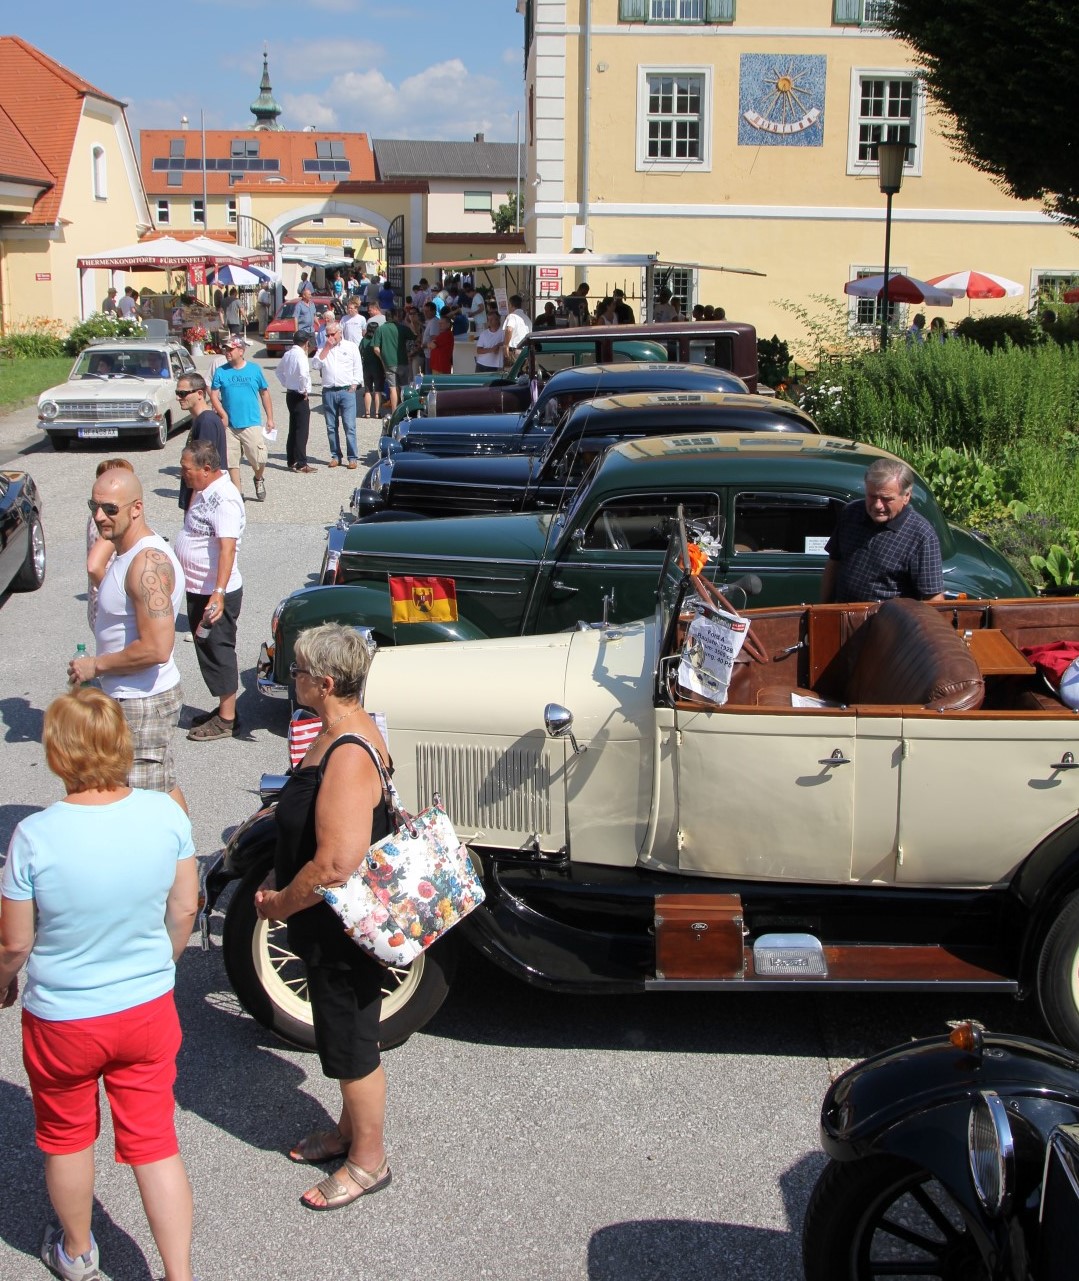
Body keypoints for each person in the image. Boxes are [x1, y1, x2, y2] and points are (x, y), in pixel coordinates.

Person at [0, 687, 198, 1281]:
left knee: (65, 1136)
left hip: (64, 1018)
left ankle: (79, 1251)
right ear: (120, 742)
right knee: (155, 1139)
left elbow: (14, 943)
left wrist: (5, 983)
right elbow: (185, 908)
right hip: (145, 1008)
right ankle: (179, 1272)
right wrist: (160, 963)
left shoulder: (33, 838)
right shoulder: (166, 813)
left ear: (57, 752)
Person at [254, 623, 393, 1213]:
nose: (294, 679)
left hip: (340, 931)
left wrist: (280, 903)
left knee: (352, 1043)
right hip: (325, 926)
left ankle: (369, 1161)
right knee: (341, 1033)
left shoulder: (348, 753)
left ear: (327, 682)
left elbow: (336, 864)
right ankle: (346, 1135)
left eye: (300, 671)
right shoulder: (337, 729)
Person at [69, 467, 188, 812]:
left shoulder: (146, 564)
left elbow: (157, 648)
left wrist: (96, 665)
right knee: (159, 787)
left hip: (142, 701)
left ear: (136, 508)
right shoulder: (125, 555)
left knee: (146, 801)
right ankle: (184, 859)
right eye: (94, 506)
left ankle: (173, 862)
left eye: (110, 509)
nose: (98, 516)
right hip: (130, 696)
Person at [175, 440, 246, 741]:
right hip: (199, 588)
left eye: (186, 468)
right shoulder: (204, 490)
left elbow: (227, 548)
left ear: (207, 469)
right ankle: (223, 709)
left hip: (215, 593)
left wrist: (217, 592)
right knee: (206, 650)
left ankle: (227, 719)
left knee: (218, 650)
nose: (183, 474)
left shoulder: (225, 499)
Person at [821, 458, 945, 605]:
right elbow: (834, 563)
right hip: (842, 617)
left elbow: (933, 599)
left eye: (886, 499)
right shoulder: (851, 513)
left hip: (888, 625)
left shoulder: (921, 536)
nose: (878, 505)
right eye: (872, 496)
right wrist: (824, 610)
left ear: (906, 497)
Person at [209, 337, 274, 502]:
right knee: (231, 460)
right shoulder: (221, 371)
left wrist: (270, 418)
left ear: (241, 351)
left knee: (259, 458)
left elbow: (264, 393)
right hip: (230, 425)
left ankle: (258, 478)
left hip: (251, 422)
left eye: (230, 349)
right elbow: (214, 395)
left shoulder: (254, 370)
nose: (227, 352)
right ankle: (238, 493)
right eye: (225, 349)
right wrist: (222, 414)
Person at [86, 457, 135, 629]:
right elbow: (94, 566)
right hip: (110, 608)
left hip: (100, 602)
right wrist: (117, 598)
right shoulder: (109, 520)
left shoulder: (97, 515)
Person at [312, 319, 363, 468]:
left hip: (346, 390)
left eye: (332, 334)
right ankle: (335, 455)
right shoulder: (323, 347)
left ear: (340, 333)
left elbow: (357, 366)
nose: (330, 337)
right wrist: (326, 348)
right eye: (327, 334)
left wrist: (354, 384)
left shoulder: (351, 346)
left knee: (349, 425)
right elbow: (315, 365)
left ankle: (352, 457)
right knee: (331, 426)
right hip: (329, 390)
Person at [175, 374, 228, 510]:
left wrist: (193, 507)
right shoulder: (202, 419)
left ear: (199, 393)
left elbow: (202, 467)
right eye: (177, 393)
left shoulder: (206, 422)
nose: (178, 398)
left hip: (204, 502)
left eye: (183, 393)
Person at [276, 330, 316, 472]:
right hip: (299, 394)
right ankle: (301, 462)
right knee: (302, 429)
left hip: (290, 393)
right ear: (306, 342)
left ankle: (291, 459)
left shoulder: (288, 354)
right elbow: (304, 374)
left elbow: (278, 371)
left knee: (293, 427)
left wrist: (286, 383)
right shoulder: (301, 355)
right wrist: (304, 389)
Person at [370, 310, 410, 414]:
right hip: (402, 362)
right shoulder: (401, 328)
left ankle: (394, 412)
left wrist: (383, 359)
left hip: (388, 364)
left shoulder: (380, 329)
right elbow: (414, 336)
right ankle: (406, 410)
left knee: (392, 388)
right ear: (395, 316)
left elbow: (376, 349)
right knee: (404, 386)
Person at [360, 322, 383, 420]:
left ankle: (367, 412)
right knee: (378, 390)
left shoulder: (364, 340)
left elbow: (360, 351)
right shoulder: (378, 340)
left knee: (368, 390)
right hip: (378, 366)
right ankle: (377, 413)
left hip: (366, 367)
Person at [502, 294, 532, 364]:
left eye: (509, 305)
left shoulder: (512, 316)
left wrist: (506, 346)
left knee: (510, 372)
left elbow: (509, 329)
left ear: (512, 305)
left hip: (514, 351)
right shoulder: (527, 319)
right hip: (525, 351)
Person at [475, 307, 506, 373]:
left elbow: (507, 343)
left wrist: (498, 345)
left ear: (498, 320)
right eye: (489, 319)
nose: (489, 321)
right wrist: (491, 349)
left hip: (495, 366)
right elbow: (478, 350)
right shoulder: (484, 333)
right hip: (481, 364)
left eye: (492, 319)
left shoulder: (503, 333)